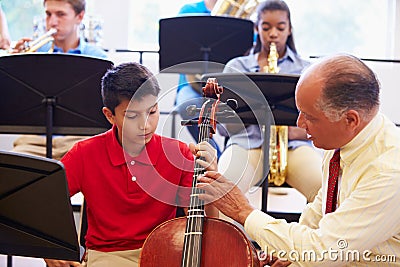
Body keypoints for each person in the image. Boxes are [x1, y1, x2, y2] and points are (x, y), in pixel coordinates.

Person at [198, 54, 400, 266]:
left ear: (350, 119)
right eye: (299, 112)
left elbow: (324, 252)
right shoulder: (345, 139)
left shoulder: (388, 172)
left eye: (310, 117)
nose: (299, 123)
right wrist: (287, 249)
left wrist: (244, 211)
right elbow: (320, 209)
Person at [44, 62, 218, 267]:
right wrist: (51, 249)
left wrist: (211, 177)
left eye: (152, 112)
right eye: (132, 116)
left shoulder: (179, 153)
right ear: (110, 115)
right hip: (108, 256)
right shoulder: (84, 153)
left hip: (165, 252)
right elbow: (45, 201)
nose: (145, 124)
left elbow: (206, 225)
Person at [218, 0, 322, 202]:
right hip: (247, 145)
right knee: (224, 187)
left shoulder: (307, 70)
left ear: (289, 29)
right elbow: (222, 129)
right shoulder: (237, 66)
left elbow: (320, 121)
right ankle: (232, 235)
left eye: (280, 27)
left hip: (292, 147)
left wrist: (295, 131)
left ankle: (308, 234)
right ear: (257, 28)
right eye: (266, 27)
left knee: (324, 190)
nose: (273, 34)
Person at [11, 0, 108, 160]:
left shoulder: (98, 59)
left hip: (79, 139)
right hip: (34, 140)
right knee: (10, 170)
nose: (52, 22)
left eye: (61, 14)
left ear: (80, 16)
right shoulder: (32, 55)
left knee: (93, 163)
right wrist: (15, 65)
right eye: (48, 14)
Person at [174, 0, 222, 157]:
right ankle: (217, 158)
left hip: (227, 82)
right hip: (191, 85)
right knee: (187, 106)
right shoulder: (189, 10)